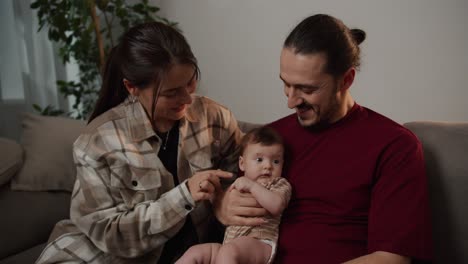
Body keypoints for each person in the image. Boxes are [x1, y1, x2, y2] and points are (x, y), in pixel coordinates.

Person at [217, 14, 433, 263]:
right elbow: (225, 201)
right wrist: (222, 207)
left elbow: (392, 258)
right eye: (286, 84)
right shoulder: (268, 142)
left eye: (307, 89)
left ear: (346, 80)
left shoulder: (394, 145)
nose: (290, 101)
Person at [36, 21, 243, 264]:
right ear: (131, 87)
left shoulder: (215, 118)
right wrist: (184, 196)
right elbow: (110, 235)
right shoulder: (97, 142)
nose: (187, 98)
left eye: (190, 82)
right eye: (171, 92)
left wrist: (225, 201)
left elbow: (242, 175)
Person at [176, 126, 291, 264]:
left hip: (260, 243)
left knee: (229, 251)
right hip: (230, 244)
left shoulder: (279, 184)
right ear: (242, 164)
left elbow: (277, 205)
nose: (268, 166)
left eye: (276, 161)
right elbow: (222, 206)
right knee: (195, 252)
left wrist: (252, 186)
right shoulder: (238, 184)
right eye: (259, 160)